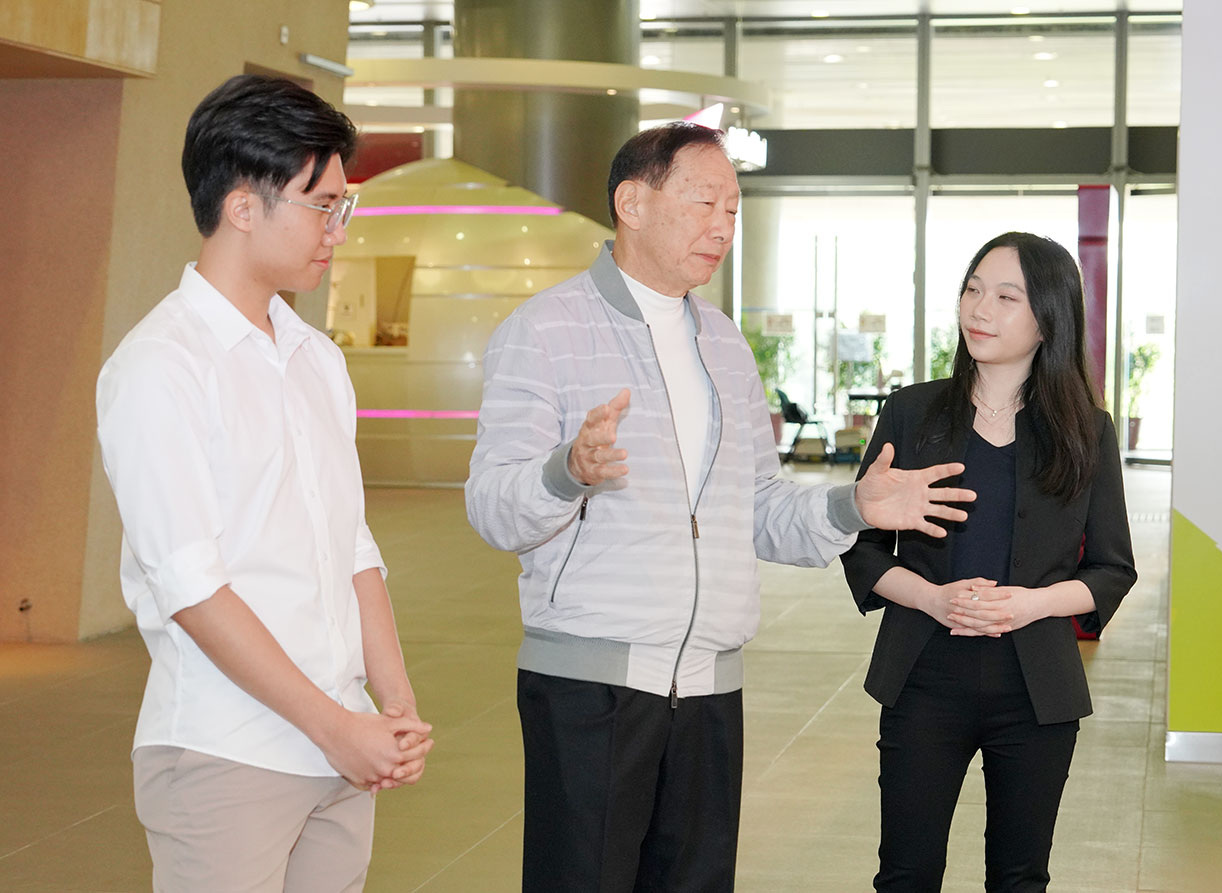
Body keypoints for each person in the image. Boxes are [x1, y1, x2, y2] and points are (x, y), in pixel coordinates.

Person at [464, 121, 977, 892]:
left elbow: (760, 509)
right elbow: (493, 507)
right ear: (630, 203)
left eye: (734, 210)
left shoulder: (724, 344)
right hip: (593, 686)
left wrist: (855, 507)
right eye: (705, 203)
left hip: (710, 687)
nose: (722, 227)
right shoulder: (544, 331)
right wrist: (568, 471)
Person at [96, 74, 434, 892]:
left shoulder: (316, 358)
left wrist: (392, 706)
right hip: (228, 750)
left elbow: (351, 546)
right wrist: (337, 726)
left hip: (341, 741)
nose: (337, 231)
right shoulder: (159, 367)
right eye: (324, 206)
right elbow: (191, 587)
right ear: (243, 206)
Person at [840, 232, 1137, 891]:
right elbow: (861, 546)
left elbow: (1112, 570)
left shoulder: (1087, 431)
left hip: (1035, 687)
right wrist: (930, 597)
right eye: (973, 289)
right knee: (906, 873)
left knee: (1020, 877)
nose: (980, 308)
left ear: (1047, 318)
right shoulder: (911, 412)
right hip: (923, 675)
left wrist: (1031, 602)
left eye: (1006, 297)